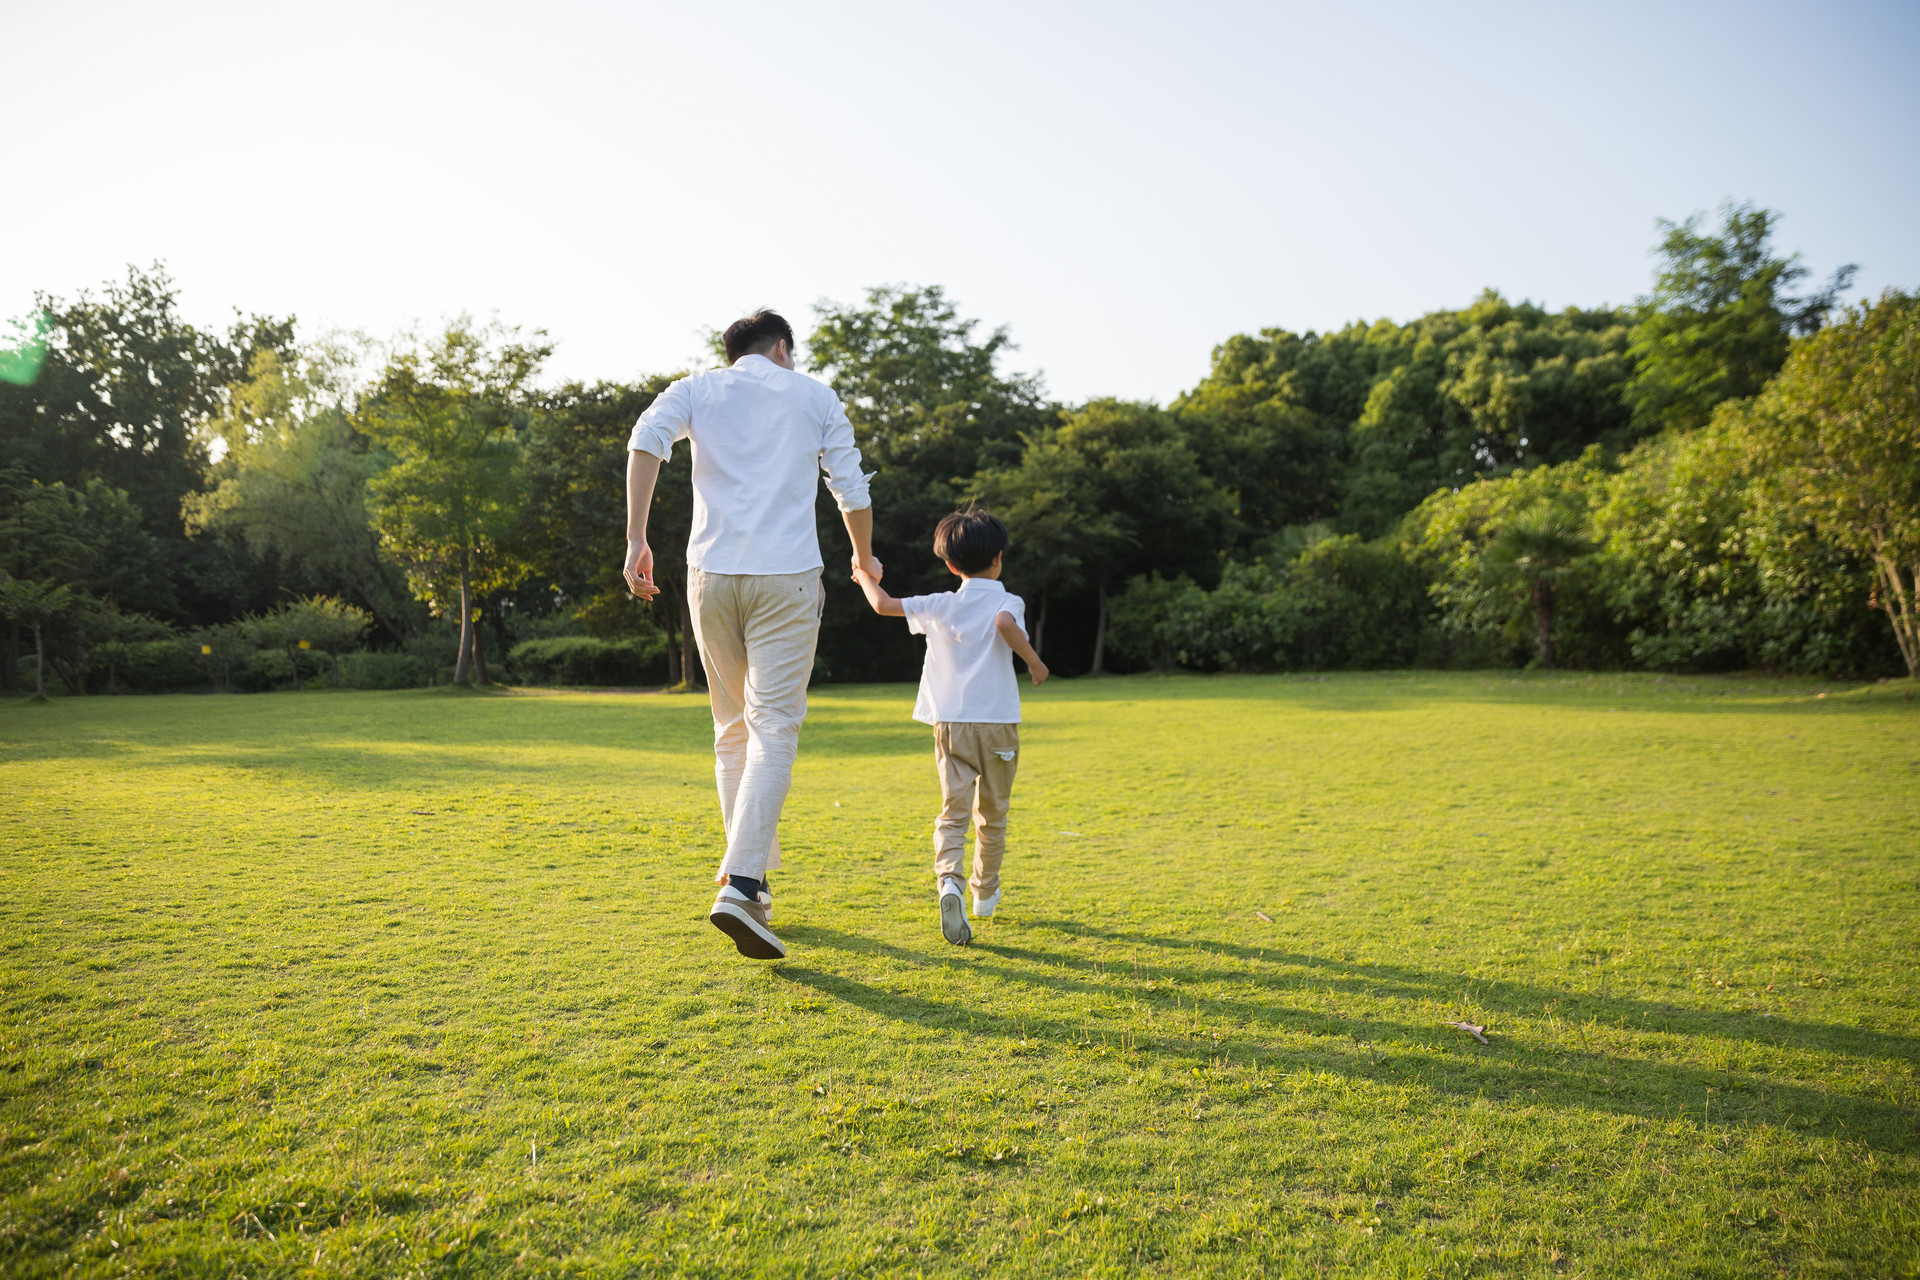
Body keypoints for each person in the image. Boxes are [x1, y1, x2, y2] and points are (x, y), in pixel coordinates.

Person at [623, 309, 878, 961]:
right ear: (783, 348)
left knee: (732, 729)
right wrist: (864, 557)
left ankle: (753, 885)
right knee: (773, 727)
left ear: (733, 351)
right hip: (786, 576)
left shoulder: (696, 389)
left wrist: (635, 541)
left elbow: (645, 442)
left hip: (710, 575)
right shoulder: (814, 395)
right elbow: (848, 487)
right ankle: (739, 884)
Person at [849, 509, 1048, 946]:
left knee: (953, 812)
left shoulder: (940, 602)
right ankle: (985, 895)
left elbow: (882, 605)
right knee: (992, 815)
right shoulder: (1007, 601)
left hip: (951, 723)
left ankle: (949, 883)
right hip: (997, 725)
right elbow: (1003, 624)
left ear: (951, 565)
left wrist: (862, 572)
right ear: (998, 558)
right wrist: (1034, 662)